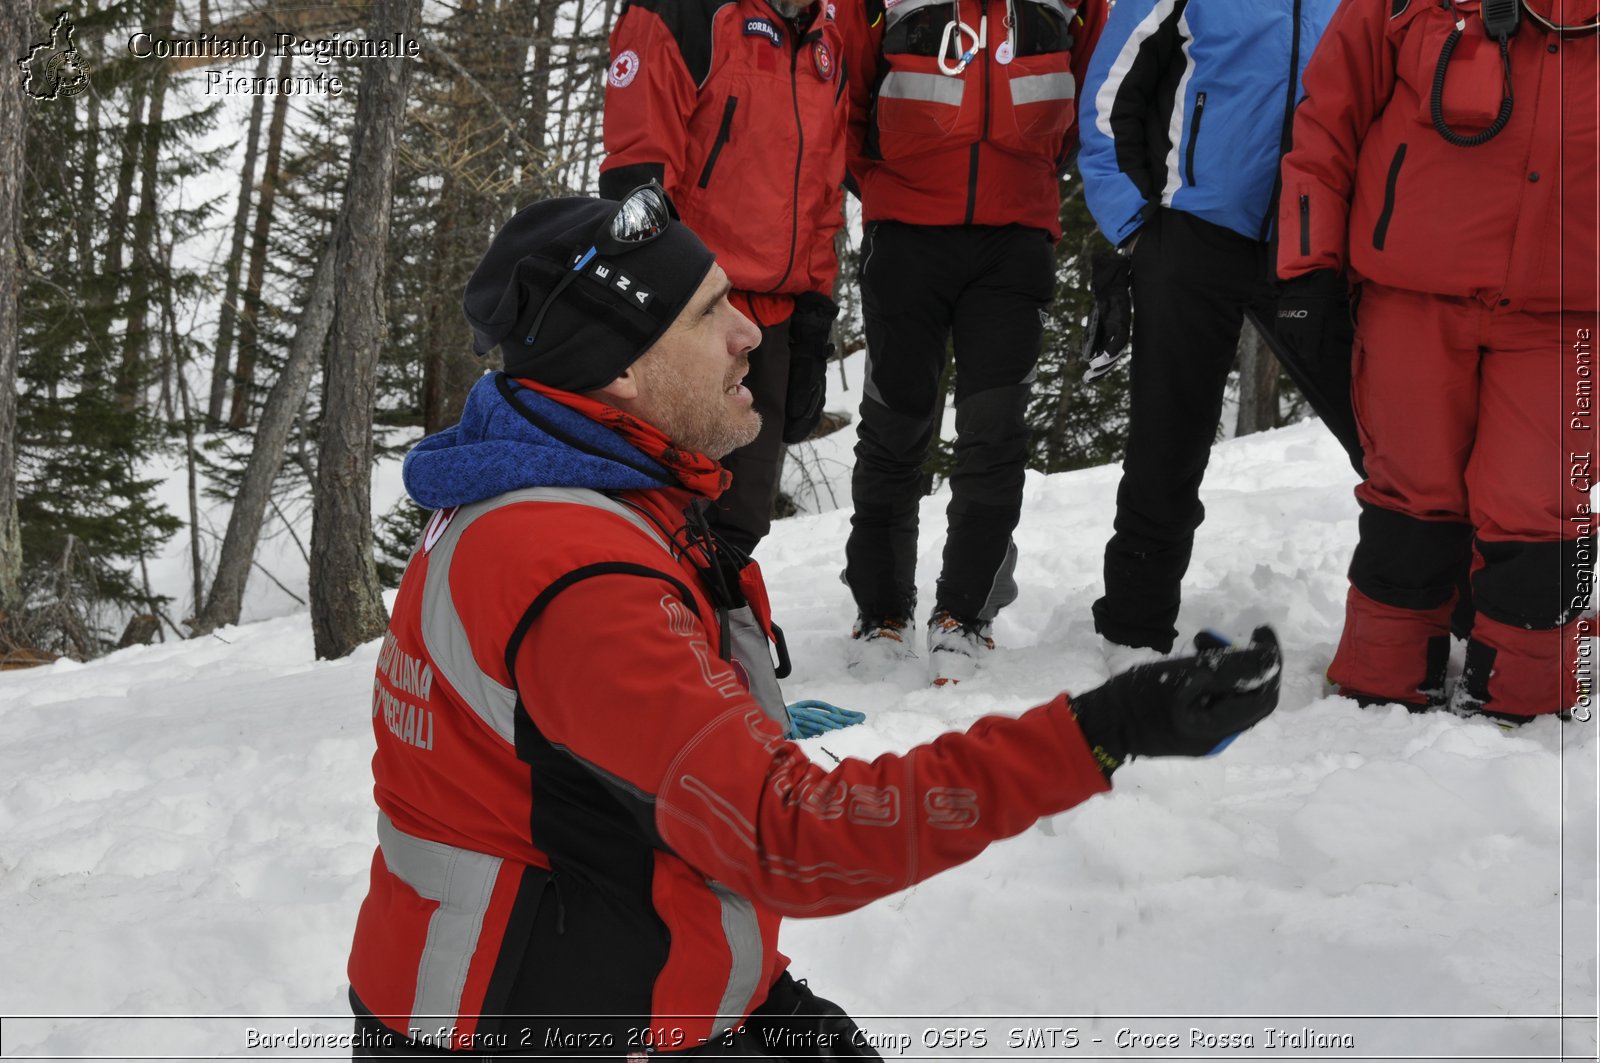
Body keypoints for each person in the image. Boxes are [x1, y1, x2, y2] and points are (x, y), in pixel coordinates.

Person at [344, 185, 1286, 1057]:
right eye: (709, 312)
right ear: (620, 370)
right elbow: (788, 833)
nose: (749, 332)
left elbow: (596, 792)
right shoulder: (576, 570)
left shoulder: (558, 495)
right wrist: (1106, 730)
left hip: (619, 979)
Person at [1277, 0, 1597, 719]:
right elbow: (1328, 117)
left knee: (1542, 506)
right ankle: (1378, 684)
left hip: (1570, 310)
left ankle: (1527, 697)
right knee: (1412, 493)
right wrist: (1309, 262)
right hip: (1410, 295)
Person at [831, 0, 1107, 684]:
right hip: (906, 235)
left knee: (994, 430)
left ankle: (965, 614)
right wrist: (894, 190)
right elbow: (842, 101)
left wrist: (1033, 177)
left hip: (1014, 239)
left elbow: (1097, 89)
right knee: (896, 426)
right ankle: (882, 612)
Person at [1075, 0, 1343, 669]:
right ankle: (1133, 631)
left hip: (1310, 242)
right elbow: (1110, 93)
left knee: (1383, 428)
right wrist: (1135, 227)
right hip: (1193, 234)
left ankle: (1427, 610)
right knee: (1167, 442)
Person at [599, 0, 849, 558]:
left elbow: (825, 193)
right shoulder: (686, 14)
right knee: (667, 507)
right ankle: (654, 631)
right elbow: (638, 173)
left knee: (742, 517)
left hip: (779, 319)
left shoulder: (826, 37)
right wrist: (661, 305)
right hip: (693, 309)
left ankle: (723, 635)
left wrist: (816, 310)